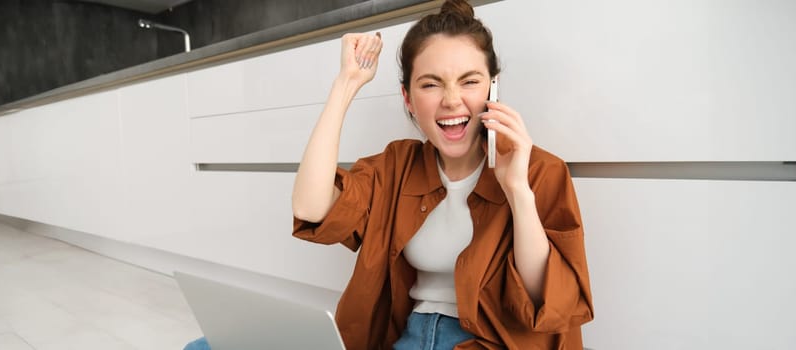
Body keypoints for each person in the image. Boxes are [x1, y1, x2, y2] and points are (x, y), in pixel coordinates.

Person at [184, 0, 592, 349]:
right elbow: (311, 206)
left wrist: (517, 189)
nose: (452, 100)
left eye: (470, 81)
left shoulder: (539, 170)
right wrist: (346, 85)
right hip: (407, 337)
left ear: (493, 88)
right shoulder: (397, 166)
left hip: (486, 342)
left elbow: (547, 300)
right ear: (408, 99)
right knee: (204, 347)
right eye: (431, 85)